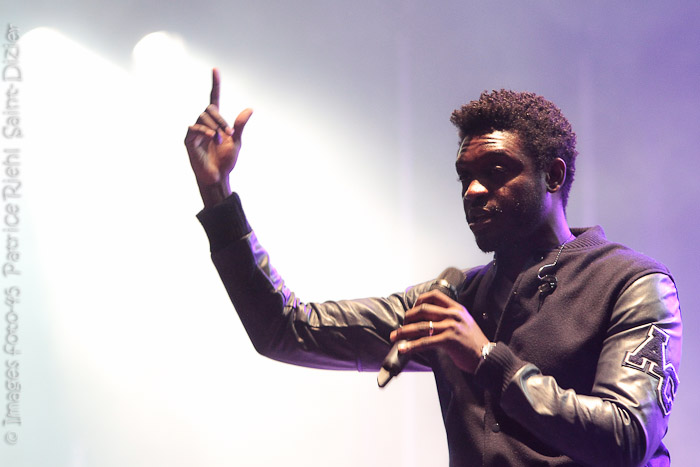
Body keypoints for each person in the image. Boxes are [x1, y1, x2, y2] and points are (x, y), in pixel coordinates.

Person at [185, 69, 682, 466]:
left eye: (495, 171)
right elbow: (285, 330)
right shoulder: (453, 300)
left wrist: (486, 358)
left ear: (552, 176)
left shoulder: (632, 284)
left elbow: (628, 438)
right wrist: (217, 195)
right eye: (465, 176)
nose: (473, 191)